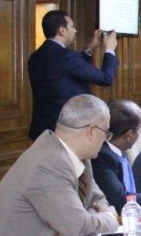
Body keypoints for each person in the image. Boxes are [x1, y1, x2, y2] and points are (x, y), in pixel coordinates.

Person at [0, 94, 118, 236]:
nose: (105, 140)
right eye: (106, 133)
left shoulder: (79, 156)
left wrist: (78, 225)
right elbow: (82, 230)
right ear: (91, 131)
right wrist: (109, 217)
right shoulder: (49, 163)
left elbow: (98, 202)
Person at [27, 9, 118, 141]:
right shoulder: (66, 56)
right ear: (62, 30)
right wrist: (109, 50)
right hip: (64, 130)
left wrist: (90, 48)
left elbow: (70, 70)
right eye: (72, 26)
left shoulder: (36, 56)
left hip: (42, 128)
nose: (75, 30)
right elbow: (106, 78)